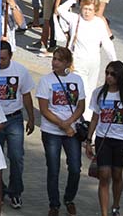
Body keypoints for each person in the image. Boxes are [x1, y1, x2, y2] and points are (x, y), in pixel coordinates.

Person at [85, 61, 123, 216]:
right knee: (104, 175)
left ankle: (115, 205)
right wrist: (89, 140)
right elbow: (95, 118)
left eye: (113, 74)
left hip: (121, 140)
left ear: (120, 76)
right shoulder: (99, 93)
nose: (109, 77)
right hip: (103, 139)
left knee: (117, 175)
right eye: (107, 73)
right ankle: (104, 212)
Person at [36, 47, 86, 216]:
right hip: (52, 131)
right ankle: (54, 204)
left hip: (72, 130)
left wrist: (70, 123)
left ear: (67, 63)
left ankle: (69, 198)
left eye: (58, 60)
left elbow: (81, 106)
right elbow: (44, 109)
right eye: (54, 58)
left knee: (75, 168)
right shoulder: (46, 80)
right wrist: (63, 125)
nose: (54, 62)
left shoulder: (77, 79)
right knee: (53, 168)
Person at [56, 0, 117, 121]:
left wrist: (114, 61)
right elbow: (60, 10)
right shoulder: (75, 19)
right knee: (82, 89)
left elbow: (106, 42)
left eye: (90, 9)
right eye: (84, 8)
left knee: (91, 89)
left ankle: (86, 118)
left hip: (94, 62)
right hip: (78, 61)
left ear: (95, 10)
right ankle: (84, 117)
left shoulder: (99, 23)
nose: (87, 12)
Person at [0, 41, 35, 209]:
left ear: (10, 56)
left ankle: (15, 192)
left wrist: (31, 119)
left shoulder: (20, 71)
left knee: (16, 157)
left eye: (3, 58)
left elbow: (26, 95)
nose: (0, 62)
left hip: (14, 119)